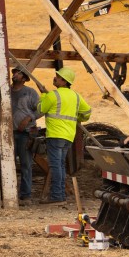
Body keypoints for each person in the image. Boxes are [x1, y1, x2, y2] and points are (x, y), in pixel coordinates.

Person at [38, 66, 91, 205]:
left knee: (56, 166)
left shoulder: (52, 95)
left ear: (64, 81)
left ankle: (57, 196)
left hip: (55, 135)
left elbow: (40, 109)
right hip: (68, 136)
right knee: (60, 165)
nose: (54, 78)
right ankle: (60, 195)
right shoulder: (76, 96)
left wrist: (43, 94)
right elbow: (87, 113)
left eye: (58, 77)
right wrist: (78, 117)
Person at [9, 67, 41, 204]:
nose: (15, 75)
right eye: (14, 72)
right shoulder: (6, 92)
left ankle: (25, 195)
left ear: (24, 78)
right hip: (8, 134)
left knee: (25, 164)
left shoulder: (30, 93)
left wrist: (29, 118)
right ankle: (9, 195)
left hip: (26, 133)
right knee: (7, 165)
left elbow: (41, 109)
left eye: (18, 73)